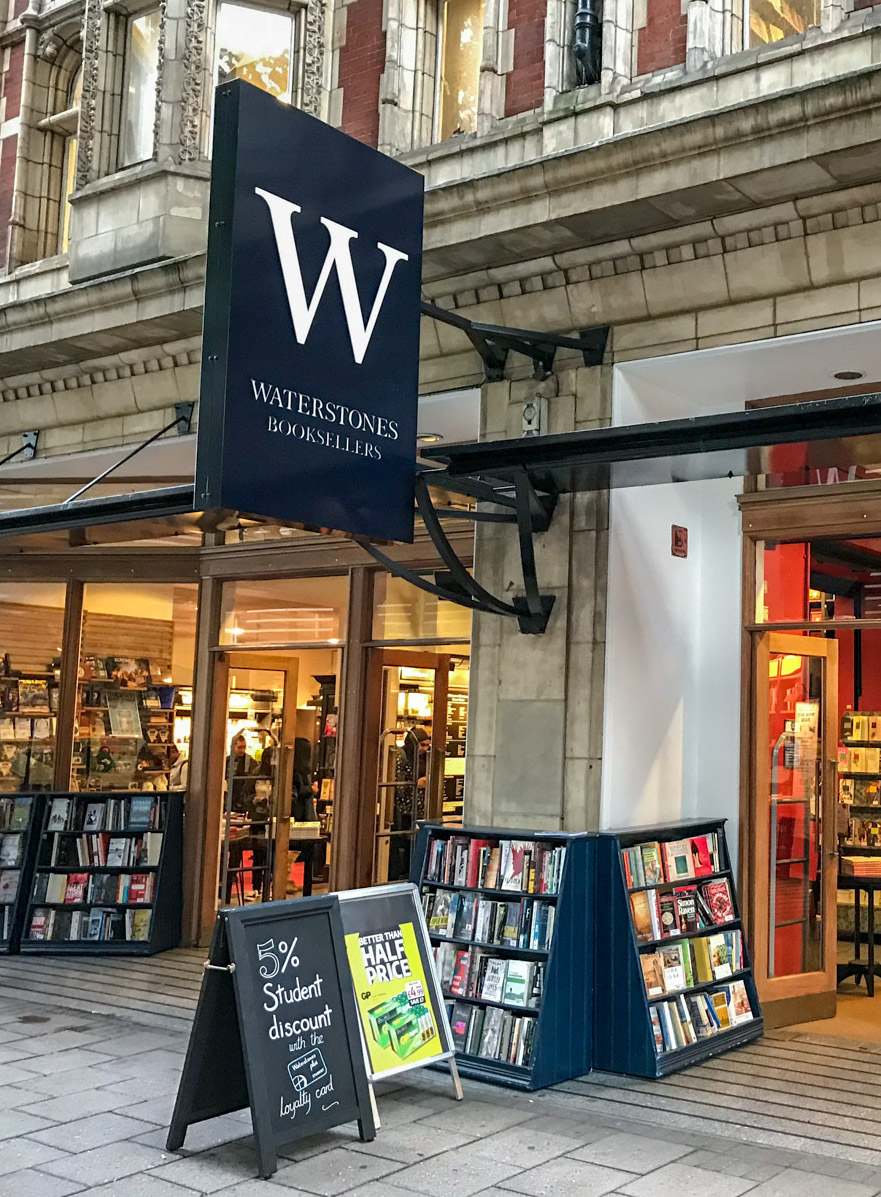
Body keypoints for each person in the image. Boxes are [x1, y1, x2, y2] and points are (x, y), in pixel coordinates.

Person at [226, 733, 257, 814]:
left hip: (244, 800)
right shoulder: (226, 761)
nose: (242, 750)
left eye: (244, 747)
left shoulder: (251, 762)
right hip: (229, 799)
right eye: (239, 747)